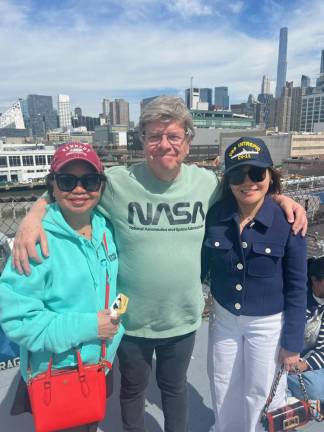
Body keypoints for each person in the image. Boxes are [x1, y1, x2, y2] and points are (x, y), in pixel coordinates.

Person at [11, 97, 307, 432]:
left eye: (173, 136)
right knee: (133, 390)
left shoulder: (208, 184)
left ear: (187, 142)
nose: (163, 144)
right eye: (153, 136)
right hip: (131, 320)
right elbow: (72, 185)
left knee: (175, 388)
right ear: (142, 141)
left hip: (182, 318)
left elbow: (250, 191)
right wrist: (33, 217)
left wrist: (282, 199)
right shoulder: (118, 182)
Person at [0, 142, 124, 432]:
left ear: (101, 186)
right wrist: (92, 327)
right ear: (52, 187)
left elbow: (117, 282)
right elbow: (19, 322)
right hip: (59, 372)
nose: (79, 189)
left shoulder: (106, 228)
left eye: (89, 180)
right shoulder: (34, 243)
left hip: (101, 363)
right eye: (67, 181)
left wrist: (117, 320)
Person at [201, 137, 308, 432]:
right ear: (228, 180)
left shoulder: (288, 222)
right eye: (237, 174)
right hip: (224, 318)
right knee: (222, 381)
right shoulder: (217, 216)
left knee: (261, 391)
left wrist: (292, 343)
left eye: (256, 173)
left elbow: (298, 288)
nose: (247, 182)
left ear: (270, 176)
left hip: (268, 323)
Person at [288, 256, 324, 401]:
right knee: (316, 389)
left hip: (306, 364)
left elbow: (322, 350)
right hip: (285, 362)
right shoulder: (297, 301)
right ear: (314, 280)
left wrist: (305, 364)